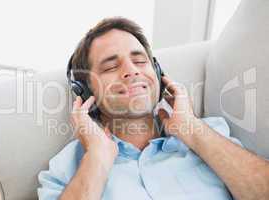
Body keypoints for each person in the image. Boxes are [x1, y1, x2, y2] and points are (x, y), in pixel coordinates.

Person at [38, 17, 269, 200]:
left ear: (158, 73)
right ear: (87, 92)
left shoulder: (210, 134)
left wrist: (191, 130)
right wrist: (97, 158)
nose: (132, 71)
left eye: (140, 61)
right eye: (110, 67)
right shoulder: (65, 168)